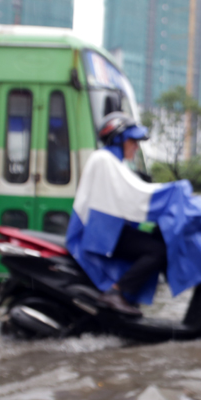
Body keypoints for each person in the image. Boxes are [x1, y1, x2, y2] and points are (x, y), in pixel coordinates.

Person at [69, 112, 165, 317]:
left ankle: (126, 295)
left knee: (151, 243)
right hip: (97, 233)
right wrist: (173, 194)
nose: (136, 147)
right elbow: (136, 195)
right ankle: (116, 293)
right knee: (156, 251)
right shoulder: (104, 159)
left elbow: (125, 203)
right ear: (119, 139)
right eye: (133, 141)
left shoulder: (114, 162)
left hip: (108, 230)